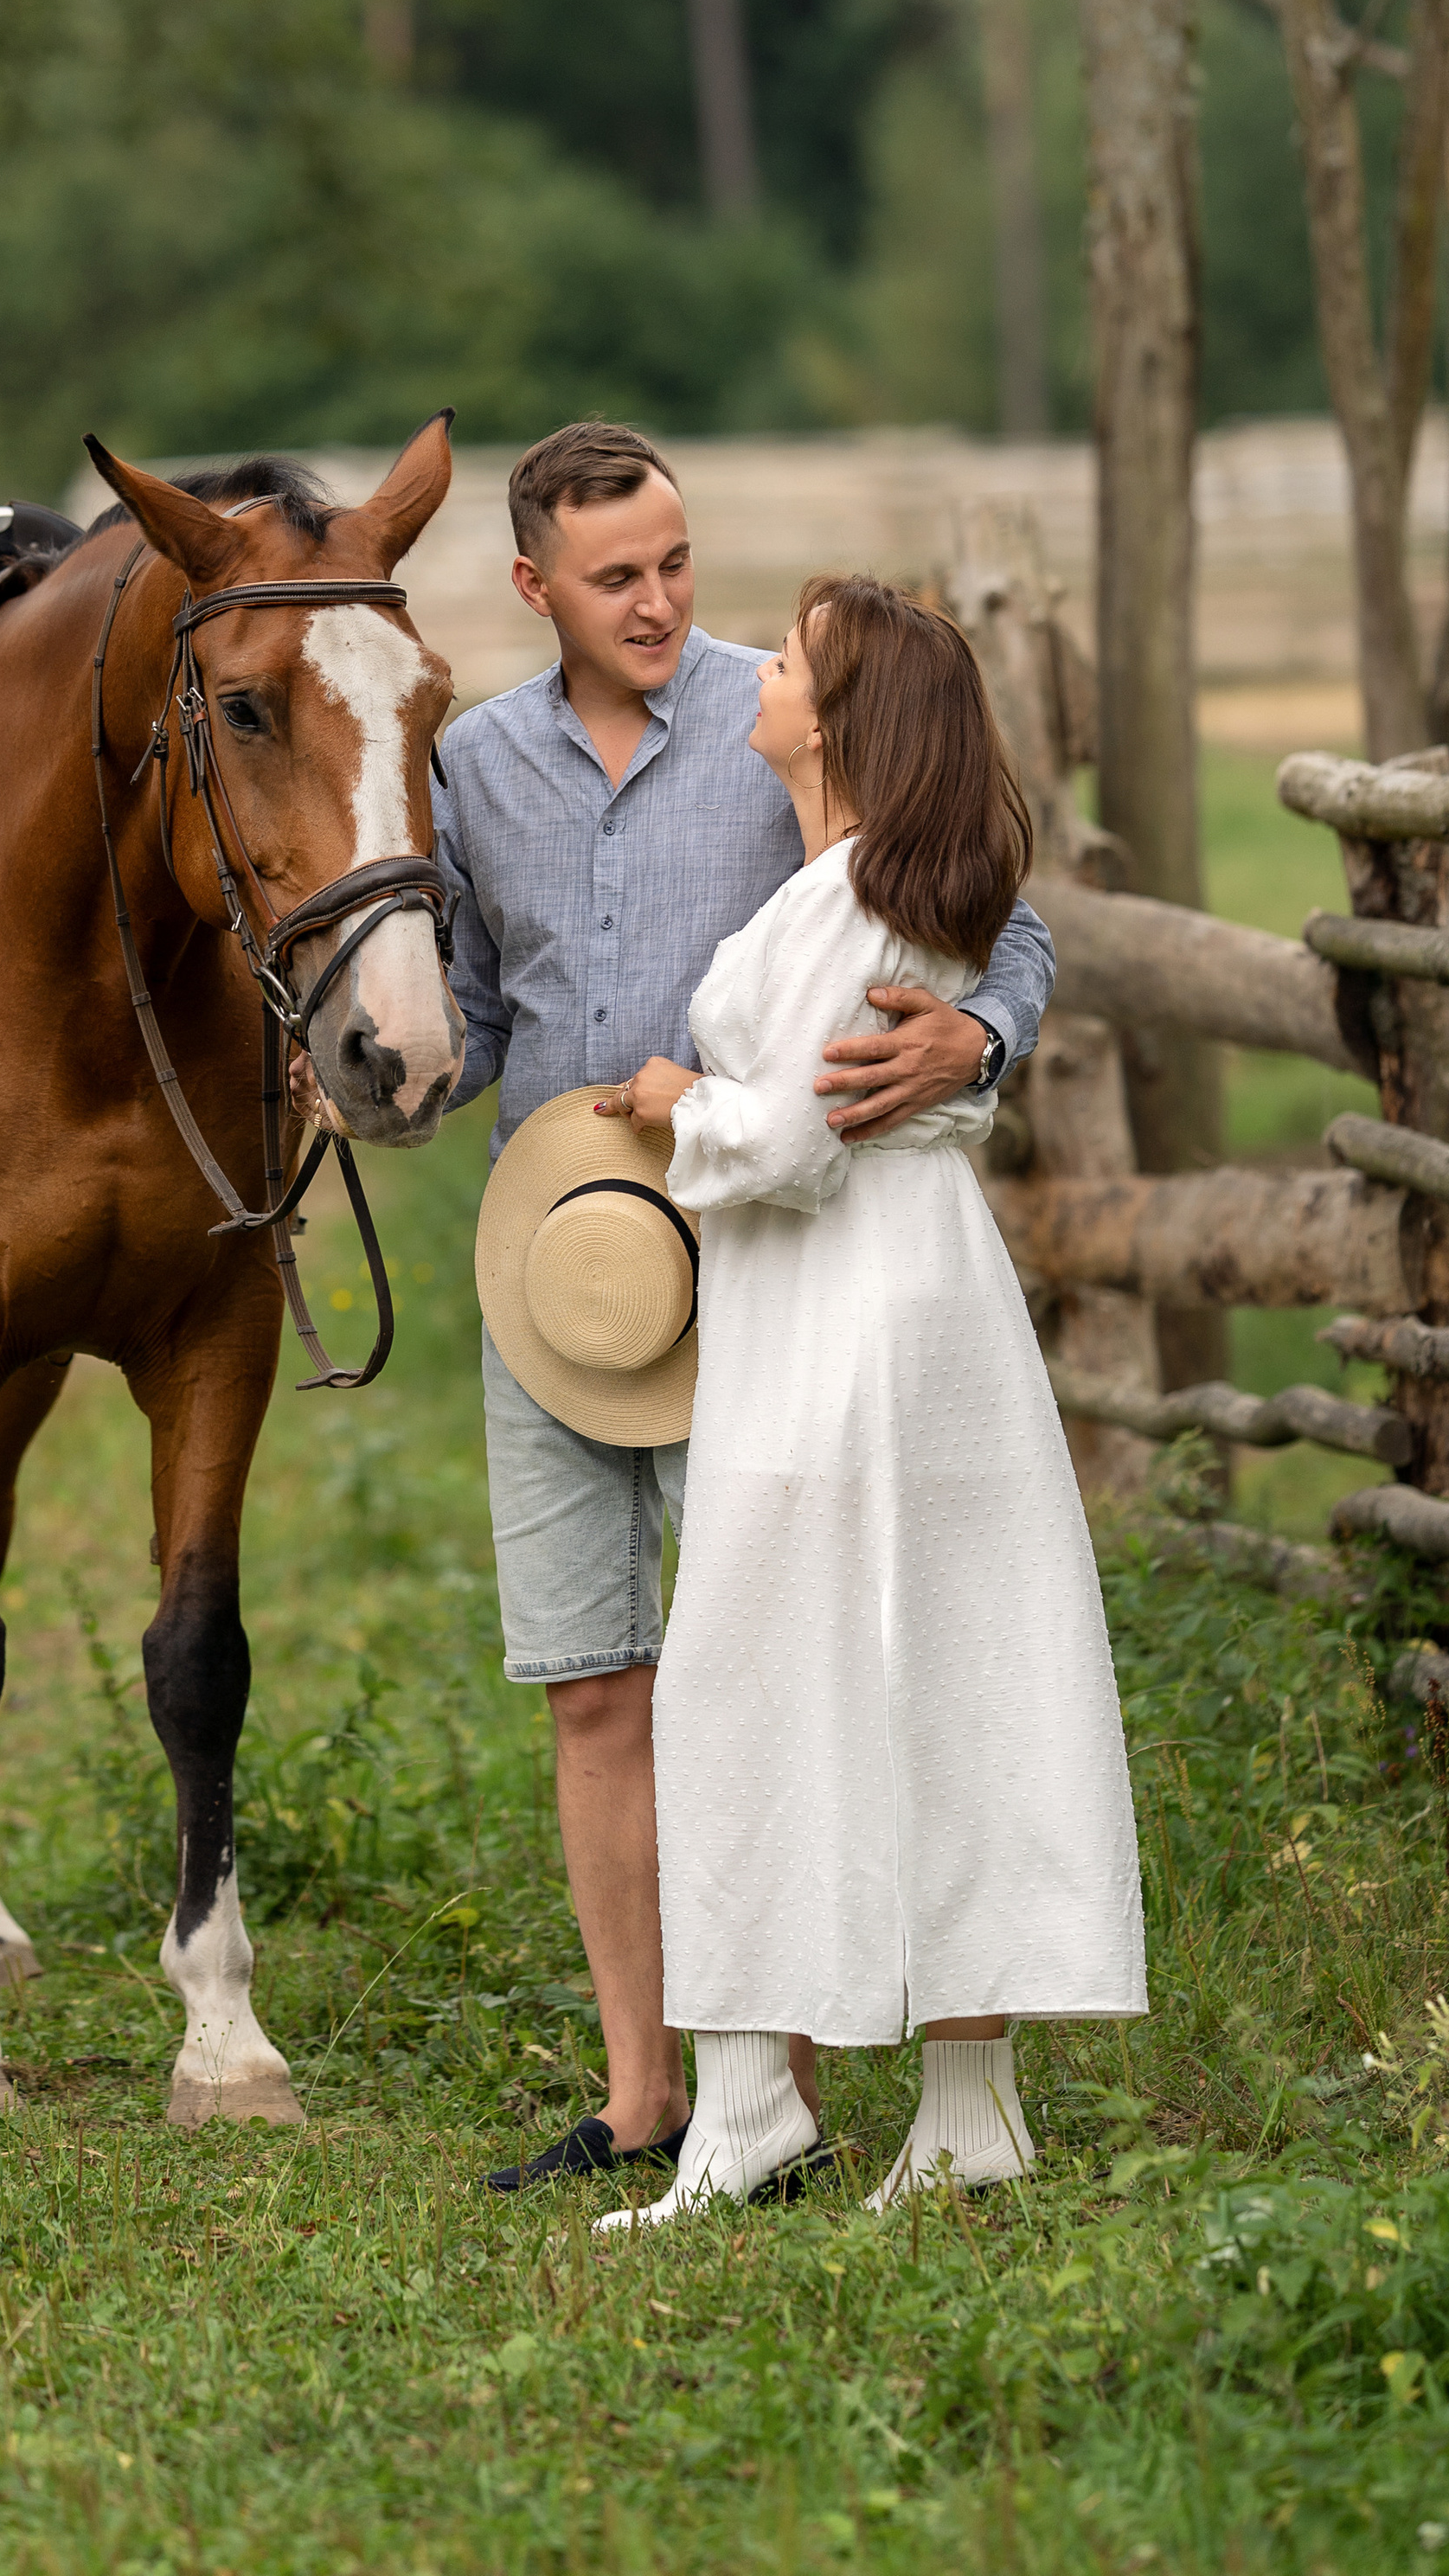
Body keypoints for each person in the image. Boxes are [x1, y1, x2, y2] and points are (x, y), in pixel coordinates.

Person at [422, 424, 1057, 2193]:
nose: (657, 601)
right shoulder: (470, 767)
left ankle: (776, 2078)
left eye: (674, 562)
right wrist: (371, 1075)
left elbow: (995, 936)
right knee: (590, 1683)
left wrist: (977, 1036)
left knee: (784, 1674)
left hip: (777, 1295)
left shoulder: (809, 712)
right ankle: (656, 2098)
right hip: (560, 1278)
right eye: (614, 575)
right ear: (533, 585)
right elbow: (467, 1008)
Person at [590, 576, 1144, 2233]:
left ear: (830, 721)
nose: (750, 668)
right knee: (938, 1678)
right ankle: (948, 2112)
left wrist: (685, 1102)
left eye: (782, 660)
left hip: (853, 1328)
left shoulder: (853, 898)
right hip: (895, 1314)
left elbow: (796, 1136)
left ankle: (758, 2112)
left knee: (754, 1674)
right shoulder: (881, 887)